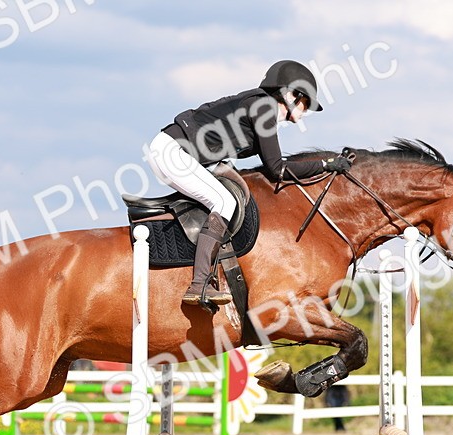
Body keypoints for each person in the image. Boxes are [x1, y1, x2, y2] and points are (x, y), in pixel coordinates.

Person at [145, 59, 352, 309]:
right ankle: (199, 284)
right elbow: (278, 169)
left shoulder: (259, 107)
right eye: (305, 102)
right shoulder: (264, 107)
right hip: (172, 152)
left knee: (223, 197)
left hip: (175, 151)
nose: (305, 111)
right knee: (224, 201)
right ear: (290, 94)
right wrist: (327, 164)